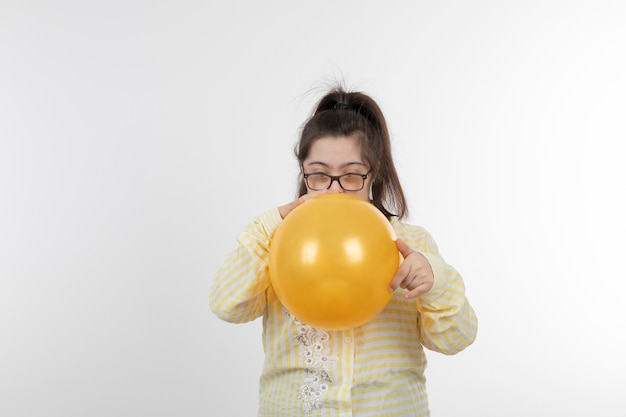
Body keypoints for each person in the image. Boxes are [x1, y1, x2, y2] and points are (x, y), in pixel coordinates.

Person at [209, 86, 478, 417]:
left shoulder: (411, 244)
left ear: (373, 174)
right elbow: (227, 306)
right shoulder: (276, 241)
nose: (334, 188)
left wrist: (436, 280)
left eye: (351, 175)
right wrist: (268, 224)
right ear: (303, 174)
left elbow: (457, 340)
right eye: (319, 175)